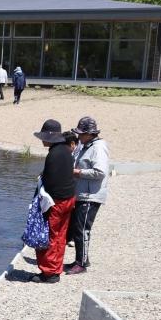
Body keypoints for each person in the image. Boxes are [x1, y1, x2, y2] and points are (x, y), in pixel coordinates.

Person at [30, 119, 75, 283]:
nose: (42, 140)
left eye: (44, 137)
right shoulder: (66, 150)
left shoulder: (54, 154)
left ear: (50, 137)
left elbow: (50, 182)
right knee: (60, 236)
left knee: (50, 236)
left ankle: (49, 273)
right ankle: (56, 269)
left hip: (56, 202)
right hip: (69, 199)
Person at [65, 116, 108, 274]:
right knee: (78, 228)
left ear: (90, 133)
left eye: (81, 133)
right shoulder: (86, 146)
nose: (79, 136)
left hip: (91, 195)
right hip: (83, 194)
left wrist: (77, 172)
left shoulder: (98, 147)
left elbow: (100, 172)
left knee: (82, 229)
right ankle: (81, 260)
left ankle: (81, 264)